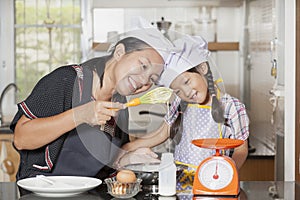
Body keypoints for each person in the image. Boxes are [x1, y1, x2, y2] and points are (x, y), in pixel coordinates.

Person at [10, 21, 174, 194]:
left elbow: (108, 159)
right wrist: (81, 115)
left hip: (89, 194)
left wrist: (128, 158)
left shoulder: (120, 104)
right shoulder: (67, 80)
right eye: (143, 66)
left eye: (152, 79)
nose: (144, 80)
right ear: (119, 52)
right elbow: (21, 139)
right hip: (43, 194)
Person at [121, 35, 249, 190]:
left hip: (214, 183)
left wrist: (227, 175)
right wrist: (127, 148)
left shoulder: (231, 107)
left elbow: (241, 149)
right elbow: (162, 134)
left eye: (187, 82)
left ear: (202, 68)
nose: (187, 92)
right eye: (178, 91)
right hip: (180, 184)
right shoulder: (180, 104)